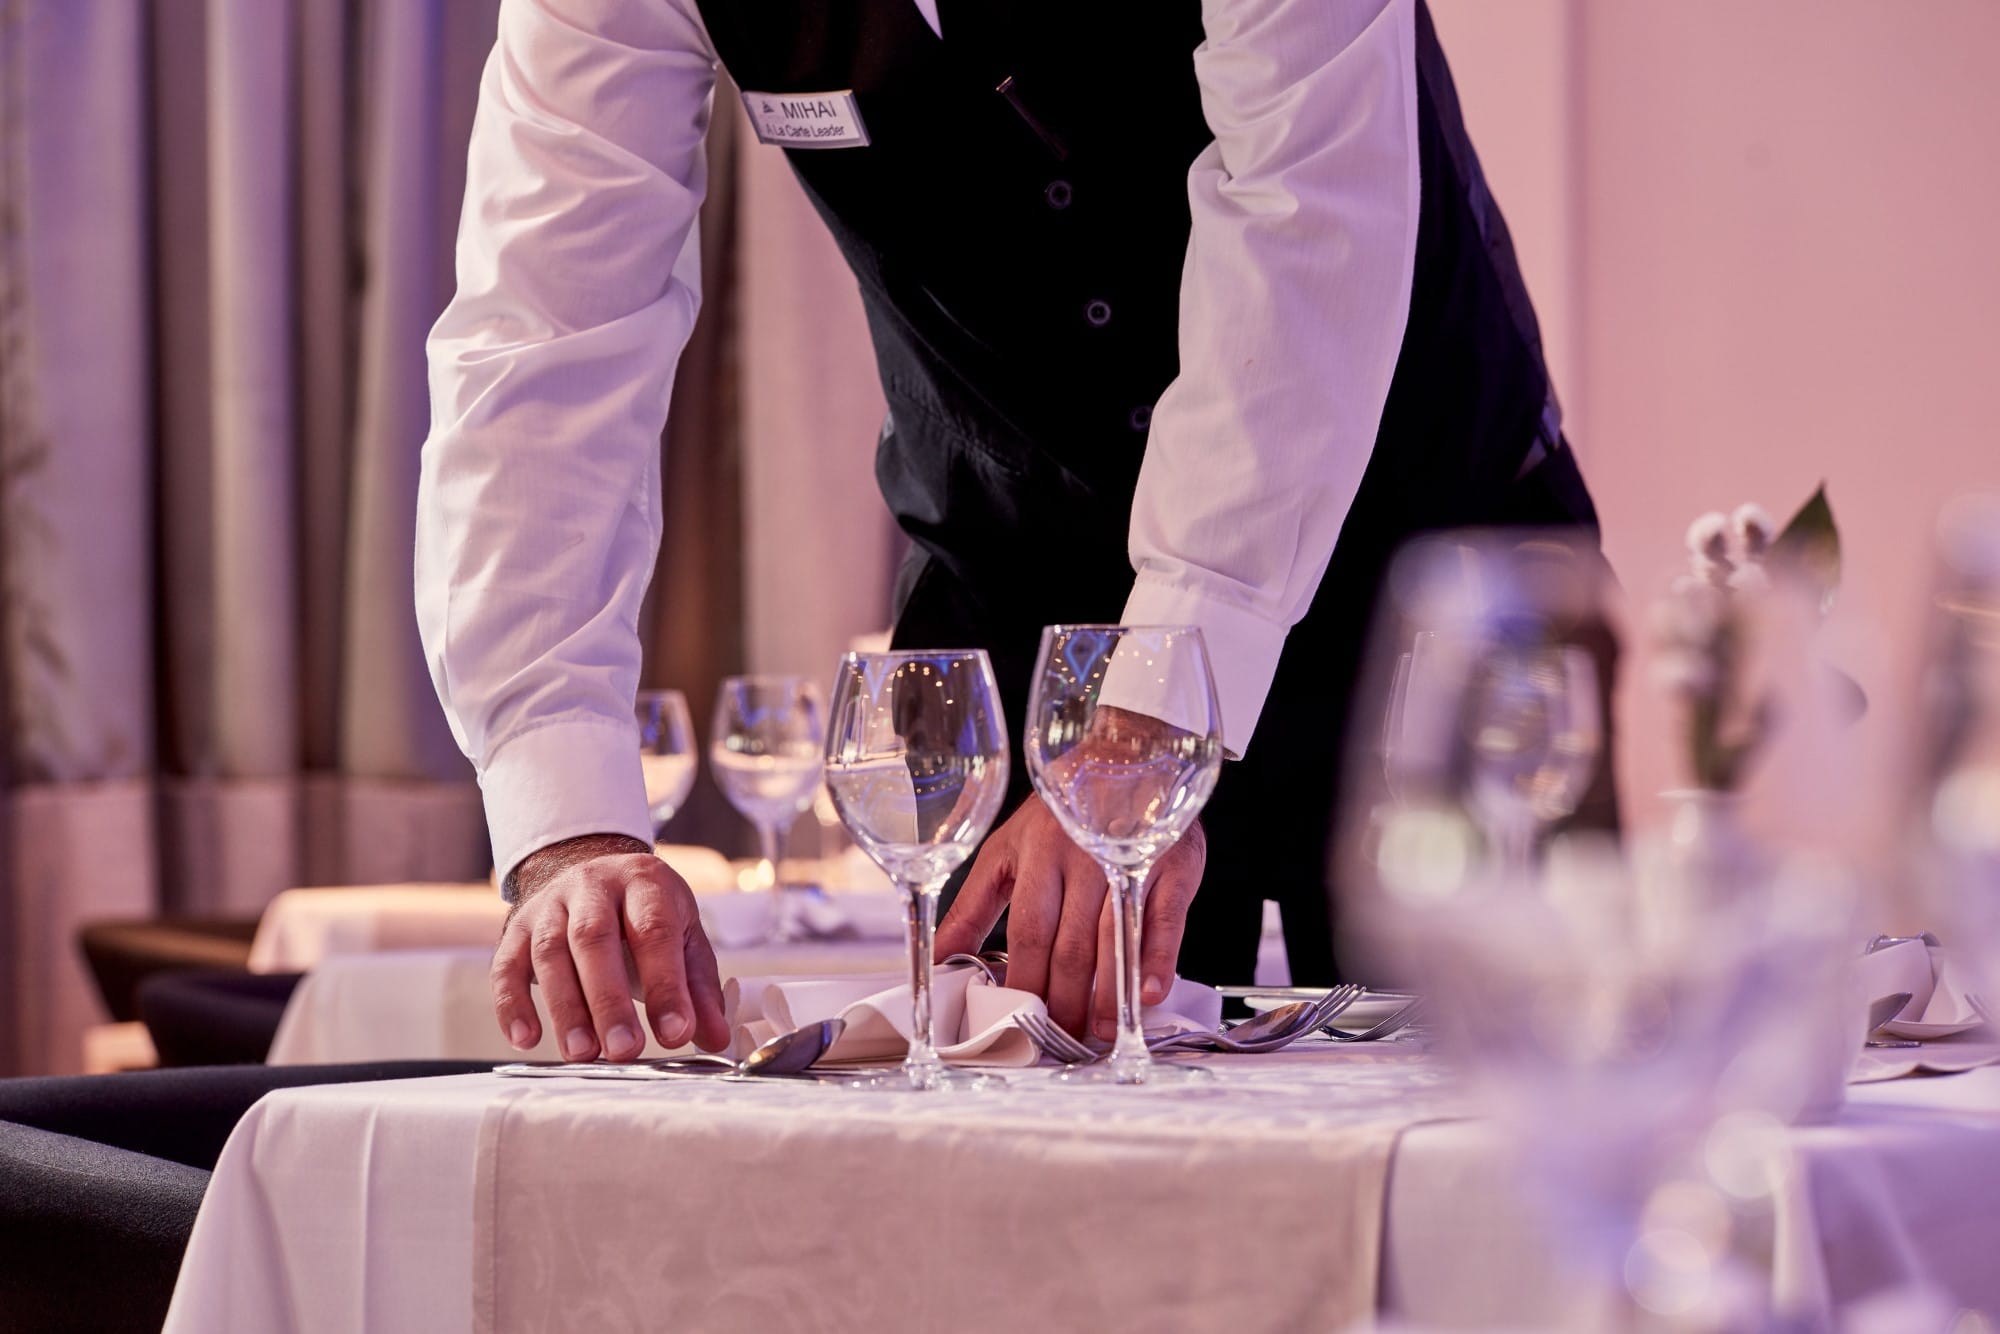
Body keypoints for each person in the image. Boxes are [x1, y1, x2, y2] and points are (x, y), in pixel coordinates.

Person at [416, 0, 1604, 1063]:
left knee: (1507, 1152)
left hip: (1421, 581)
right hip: (1014, 606)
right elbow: (545, 337)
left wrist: (1147, 726)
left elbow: (1306, 220)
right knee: (1022, 1194)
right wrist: (567, 820)